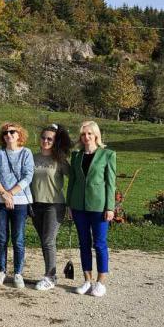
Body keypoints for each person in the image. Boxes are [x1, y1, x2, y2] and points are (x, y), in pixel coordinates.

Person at [67, 121, 116, 298]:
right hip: (79, 206)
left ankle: (100, 282)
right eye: (83, 134)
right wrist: (69, 205)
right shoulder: (76, 156)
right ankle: (87, 280)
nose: (86, 137)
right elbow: (72, 182)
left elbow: (111, 184)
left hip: (99, 206)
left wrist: (110, 207)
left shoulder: (107, 155)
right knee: (84, 244)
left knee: (100, 244)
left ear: (96, 135)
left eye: (89, 133)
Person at [0, 122, 34, 289]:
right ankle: (2, 270)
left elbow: (27, 176)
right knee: (1, 238)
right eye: (6, 133)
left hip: (20, 201)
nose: (8, 135)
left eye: (12, 132)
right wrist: (4, 194)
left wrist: (11, 194)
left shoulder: (26, 153)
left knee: (18, 238)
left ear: (19, 135)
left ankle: (17, 273)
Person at [30, 124, 72, 291]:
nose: (46, 141)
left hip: (54, 205)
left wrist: (72, 203)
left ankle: (50, 276)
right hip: (35, 205)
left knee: (48, 241)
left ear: (55, 142)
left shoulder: (60, 160)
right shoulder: (31, 157)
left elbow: (75, 179)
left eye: (50, 139)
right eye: (43, 138)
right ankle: (50, 273)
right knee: (44, 241)